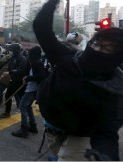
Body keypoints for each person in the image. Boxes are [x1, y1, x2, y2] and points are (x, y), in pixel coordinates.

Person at [33, 0, 123, 160]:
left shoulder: (115, 88)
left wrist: (106, 153)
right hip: (51, 127)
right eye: (97, 44)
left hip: (80, 138)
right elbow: (41, 26)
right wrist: (53, 2)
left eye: (109, 49)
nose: (99, 50)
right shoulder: (66, 58)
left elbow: (106, 130)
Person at [11, 46, 46, 138]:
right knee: (28, 107)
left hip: (32, 89)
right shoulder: (37, 62)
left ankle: (24, 129)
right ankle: (33, 125)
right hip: (33, 88)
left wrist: (28, 78)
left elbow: (41, 76)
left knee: (22, 106)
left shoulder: (37, 63)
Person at [0, 43, 27, 118]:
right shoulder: (12, 57)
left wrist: (10, 72)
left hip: (20, 81)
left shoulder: (21, 58)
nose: (10, 51)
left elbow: (21, 70)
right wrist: (5, 73)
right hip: (13, 80)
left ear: (16, 50)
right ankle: (7, 112)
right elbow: (10, 68)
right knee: (8, 96)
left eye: (11, 50)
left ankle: (27, 118)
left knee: (22, 99)